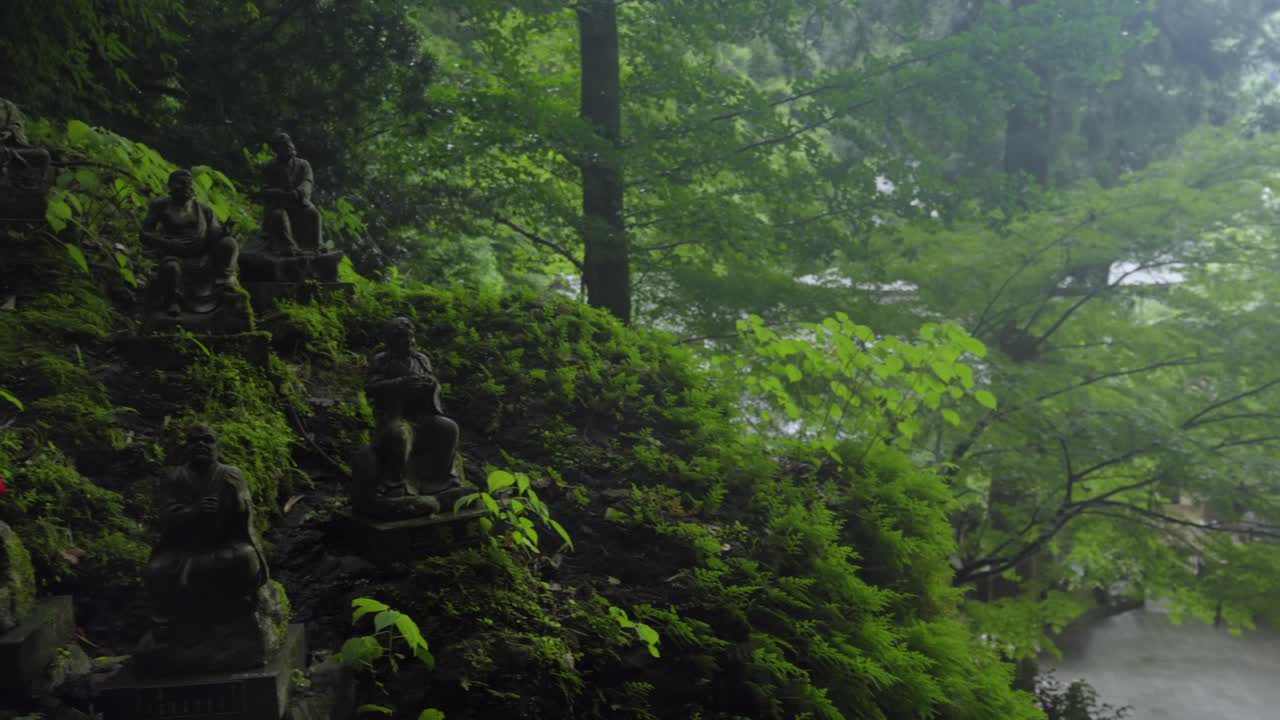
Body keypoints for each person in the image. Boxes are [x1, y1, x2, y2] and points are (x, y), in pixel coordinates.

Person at [144, 424, 267, 626]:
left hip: (223, 547)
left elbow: (245, 516)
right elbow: (165, 517)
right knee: (156, 570)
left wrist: (235, 502)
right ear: (185, 448)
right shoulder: (173, 476)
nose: (201, 445)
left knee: (246, 558)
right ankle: (172, 620)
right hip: (183, 551)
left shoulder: (231, 475)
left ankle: (235, 608)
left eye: (208, 440)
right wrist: (194, 511)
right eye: (194, 441)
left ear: (218, 447)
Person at [361, 317, 460, 510]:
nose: (410, 343)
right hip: (396, 416)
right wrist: (400, 384)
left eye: (411, 338)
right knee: (398, 436)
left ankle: (439, 481)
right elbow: (371, 388)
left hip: (423, 415)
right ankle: (396, 485)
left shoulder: (421, 359)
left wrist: (431, 385)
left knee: (448, 428)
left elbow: (434, 382)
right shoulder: (381, 361)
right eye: (403, 340)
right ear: (391, 342)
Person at [140, 169, 238, 315]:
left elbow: (214, 233)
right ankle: (174, 300)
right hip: (174, 256)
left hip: (202, 255)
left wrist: (225, 231)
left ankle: (223, 281)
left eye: (188, 184)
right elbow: (145, 233)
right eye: (180, 183)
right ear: (171, 186)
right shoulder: (161, 206)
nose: (185, 187)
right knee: (171, 268)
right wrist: (167, 243)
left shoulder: (204, 209)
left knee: (229, 243)